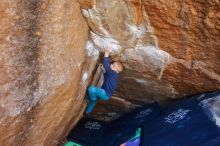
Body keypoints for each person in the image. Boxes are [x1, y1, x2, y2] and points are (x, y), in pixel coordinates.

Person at [85, 48, 123, 114]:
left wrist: (106, 55)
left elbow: (107, 66)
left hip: (105, 94)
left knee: (91, 89)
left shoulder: (113, 73)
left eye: (113, 66)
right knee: (94, 101)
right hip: (106, 94)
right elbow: (107, 74)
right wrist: (103, 70)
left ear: (117, 71)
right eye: (112, 64)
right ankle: (87, 112)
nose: (111, 65)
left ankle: (91, 99)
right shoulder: (113, 75)